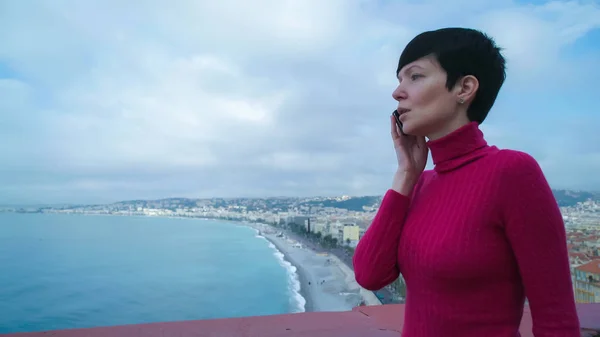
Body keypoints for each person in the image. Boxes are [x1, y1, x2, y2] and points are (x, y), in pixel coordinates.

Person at [352, 28, 580, 337]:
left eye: (414, 76)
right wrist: (406, 174)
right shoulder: (420, 183)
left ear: (465, 88)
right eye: (399, 80)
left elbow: (557, 320)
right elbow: (370, 274)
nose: (397, 92)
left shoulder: (512, 173)